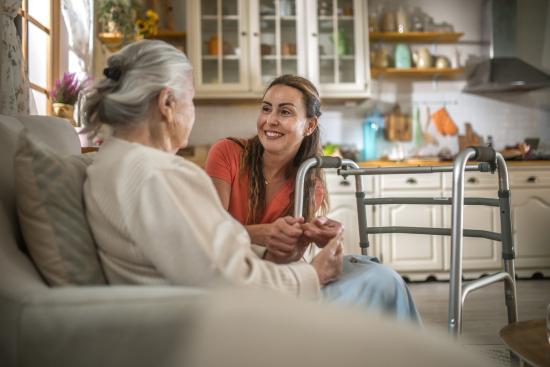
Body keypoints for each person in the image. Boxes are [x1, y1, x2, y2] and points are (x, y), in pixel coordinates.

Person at [82, 40, 344, 301]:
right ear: (167, 104)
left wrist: (275, 251)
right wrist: (313, 275)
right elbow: (227, 278)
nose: (271, 120)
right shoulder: (159, 175)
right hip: (207, 315)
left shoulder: (113, 160)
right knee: (373, 282)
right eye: (192, 100)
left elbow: (204, 255)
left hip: (181, 303)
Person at [205, 74, 421, 322]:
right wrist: (263, 234)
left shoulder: (310, 184)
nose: (270, 120)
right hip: (230, 276)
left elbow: (286, 258)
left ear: (309, 126)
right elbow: (209, 235)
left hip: (274, 276)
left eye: (285, 112)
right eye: (266, 109)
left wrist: (312, 237)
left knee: (383, 277)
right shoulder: (227, 153)